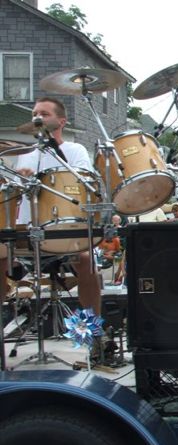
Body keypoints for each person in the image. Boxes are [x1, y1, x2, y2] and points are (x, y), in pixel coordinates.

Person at [0, 97, 103, 315]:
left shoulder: (75, 151)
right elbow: (15, 195)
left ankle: (94, 335)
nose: (37, 117)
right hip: (27, 231)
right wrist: (21, 179)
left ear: (62, 121)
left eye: (44, 114)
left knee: (87, 263)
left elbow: (83, 186)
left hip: (64, 230)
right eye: (35, 114)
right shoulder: (24, 155)